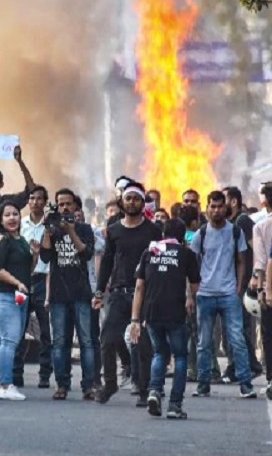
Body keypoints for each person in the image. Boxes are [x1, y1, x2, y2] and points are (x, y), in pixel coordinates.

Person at [93, 180, 162, 405]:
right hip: (119, 294)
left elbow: (160, 262)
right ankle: (110, 384)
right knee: (108, 339)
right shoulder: (113, 231)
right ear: (122, 201)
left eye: (136, 199)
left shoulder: (153, 231)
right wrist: (99, 290)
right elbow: (107, 262)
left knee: (141, 345)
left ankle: (144, 391)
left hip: (144, 295)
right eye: (128, 198)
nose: (132, 202)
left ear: (143, 202)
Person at [130, 218, 200, 419]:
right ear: (182, 236)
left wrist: (135, 319)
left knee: (159, 353)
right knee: (180, 356)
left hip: (151, 312)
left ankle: (154, 392)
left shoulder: (149, 252)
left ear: (163, 234)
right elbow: (195, 286)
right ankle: (175, 405)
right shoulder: (186, 254)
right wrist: (187, 293)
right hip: (176, 313)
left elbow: (139, 287)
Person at [189, 191, 256, 399]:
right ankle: (203, 384)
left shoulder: (235, 232)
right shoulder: (201, 233)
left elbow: (241, 261)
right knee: (204, 342)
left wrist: (238, 289)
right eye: (213, 206)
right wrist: (193, 292)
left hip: (228, 294)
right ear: (207, 208)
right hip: (206, 294)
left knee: (237, 339)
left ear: (225, 208)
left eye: (220, 206)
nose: (216, 210)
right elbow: (192, 264)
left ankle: (245, 384)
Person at [40, 188, 96, 400]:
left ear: (75, 206)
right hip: (58, 294)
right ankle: (61, 385)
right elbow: (44, 257)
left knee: (86, 341)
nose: (64, 207)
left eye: (68, 204)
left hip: (81, 293)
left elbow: (86, 253)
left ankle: (88, 386)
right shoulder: (52, 230)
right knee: (60, 341)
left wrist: (71, 230)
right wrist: (47, 228)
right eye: (60, 204)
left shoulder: (85, 229)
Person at [0, 201, 39, 401]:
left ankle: (1, 384)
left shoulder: (21, 240)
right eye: (7, 215)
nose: (12, 218)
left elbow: (29, 270)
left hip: (19, 296)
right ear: (0, 219)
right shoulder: (2, 240)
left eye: (15, 214)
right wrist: (17, 283)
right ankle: (5, 384)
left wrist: (34, 255)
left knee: (6, 341)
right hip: (4, 296)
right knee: (8, 341)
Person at [223, 186, 263, 379]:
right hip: (231, 283)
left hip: (244, 283)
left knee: (238, 326)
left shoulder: (242, 221)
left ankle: (241, 366)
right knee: (235, 326)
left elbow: (255, 249)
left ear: (233, 202)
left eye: (224, 200)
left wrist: (255, 277)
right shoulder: (229, 223)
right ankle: (247, 365)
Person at [20, 185, 53, 387]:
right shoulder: (20, 223)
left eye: (39, 198)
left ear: (45, 201)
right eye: (31, 198)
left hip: (44, 280)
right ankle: (16, 373)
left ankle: (44, 374)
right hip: (22, 281)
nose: (35, 202)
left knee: (44, 331)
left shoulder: (50, 226)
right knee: (19, 328)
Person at [251, 183, 272, 400]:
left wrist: (260, 290)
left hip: (270, 289)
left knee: (269, 334)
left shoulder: (261, 227)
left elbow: (260, 262)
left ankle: (271, 378)